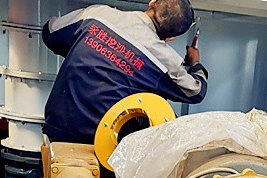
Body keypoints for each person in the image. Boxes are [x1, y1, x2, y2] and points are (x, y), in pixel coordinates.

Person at [42, 0, 208, 145]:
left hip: (57, 127)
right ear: (171, 38)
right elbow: (196, 92)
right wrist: (195, 62)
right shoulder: (165, 60)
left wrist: (88, 51)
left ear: (151, 3)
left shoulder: (97, 14)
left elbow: (50, 32)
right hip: (102, 144)